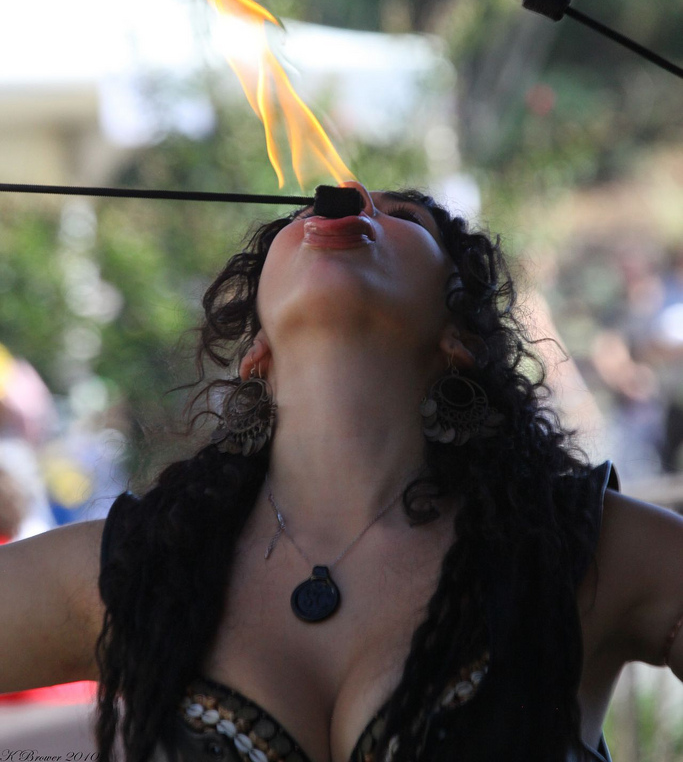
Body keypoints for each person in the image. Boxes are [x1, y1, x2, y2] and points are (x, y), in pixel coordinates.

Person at [1, 182, 682, 762]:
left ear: (460, 337)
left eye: (403, 217)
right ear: (257, 347)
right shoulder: (135, 572)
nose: (350, 197)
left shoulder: (577, 552)